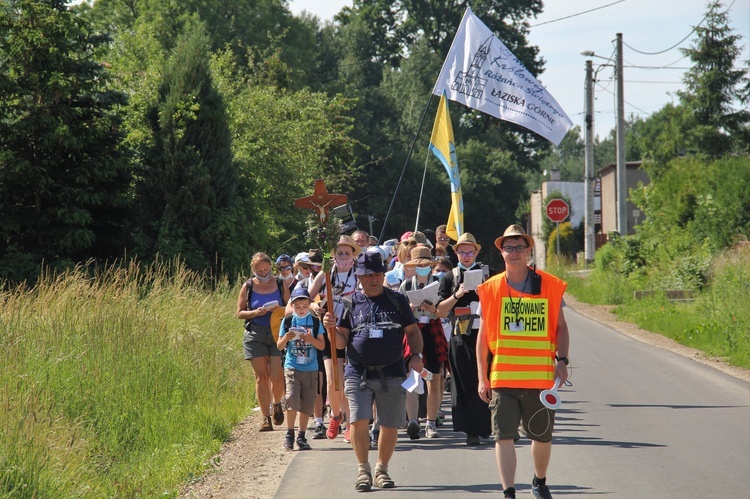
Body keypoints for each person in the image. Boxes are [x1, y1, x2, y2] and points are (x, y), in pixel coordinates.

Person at [476, 224, 570, 499]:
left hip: (540, 378)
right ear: (501, 251)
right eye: (509, 247)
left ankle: (539, 481)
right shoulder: (490, 288)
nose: (514, 252)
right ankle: (509, 492)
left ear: (528, 250)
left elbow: (561, 328)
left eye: (519, 247)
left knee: (541, 436)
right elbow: (482, 339)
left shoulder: (549, 285)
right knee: (503, 436)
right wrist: (482, 378)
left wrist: (562, 360)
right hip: (503, 377)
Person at [323, 250, 423, 492]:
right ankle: (363, 470)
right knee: (358, 420)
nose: (373, 279)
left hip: (393, 371)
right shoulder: (350, 303)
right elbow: (339, 343)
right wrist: (330, 328)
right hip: (358, 372)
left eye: (377, 274)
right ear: (359, 277)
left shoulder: (397, 300)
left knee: (389, 424)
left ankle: (382, 470)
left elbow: (412, 331)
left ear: (382, 274)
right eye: (367, 275)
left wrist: (417, 356)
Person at [436, 232, 492, 445]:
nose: (466, 255)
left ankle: (496, 425)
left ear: (477, 252)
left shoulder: (489, 273)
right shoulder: (450, 277)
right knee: (465, 383)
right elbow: (440, 311)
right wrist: (457, 294)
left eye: (470, 251)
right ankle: (471, 430)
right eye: (462, 251)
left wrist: (485, 292)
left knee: (490, 380)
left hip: (486, 333)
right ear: (456, 252)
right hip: (461, 335)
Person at [305, 236, 361, 440]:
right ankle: (335, 415)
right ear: (333, 255)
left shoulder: (359, 274)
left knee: (349, 380)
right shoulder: (325, 274)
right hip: (329, 330)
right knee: (332, 379)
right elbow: (305, 300)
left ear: (354, 255)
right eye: (340, 253)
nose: (344, 256)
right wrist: (316, 308)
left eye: (347, 253)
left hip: (353, 329)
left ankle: (348, 422)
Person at [399, 245, 449, 439]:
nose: (422, 268)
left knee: (434, 378)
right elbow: (400, 314)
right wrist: (410, 307)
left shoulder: (438, 282)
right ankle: (413, 421)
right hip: (412, 331)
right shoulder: (406, 285)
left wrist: (434, 309)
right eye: (418, 265)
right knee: (411, 377)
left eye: (426, 265)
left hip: (431, 329)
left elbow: (443, 310)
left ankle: (431, 422)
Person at [237, 252, 290, 431]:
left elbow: (291, 309)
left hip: (277, 332)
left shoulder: (281, 284)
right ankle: (265, 417)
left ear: (271, 267)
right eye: (259, 270)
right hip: (255, 333)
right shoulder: (249, 286)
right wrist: (255, 313)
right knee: (261, 377)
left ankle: (277, 404)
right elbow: (239, 312)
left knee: (277, 376)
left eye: (266, 269)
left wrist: (279, 309)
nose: (263, 272)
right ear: (253, 270)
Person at [277, 288, 326, 451]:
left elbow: (322, 345)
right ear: (292, 305)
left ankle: (302, 435)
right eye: (298, 306)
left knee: (307, 403)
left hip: (311, 367)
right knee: (291, 399)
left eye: (305, 306)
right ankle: (289, 434)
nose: (301, 309)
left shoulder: (315, 322)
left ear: (309, 305)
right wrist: (286, 337)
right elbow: (279, 345)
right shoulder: (288, 321)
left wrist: (310, 338)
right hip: (292, 366)